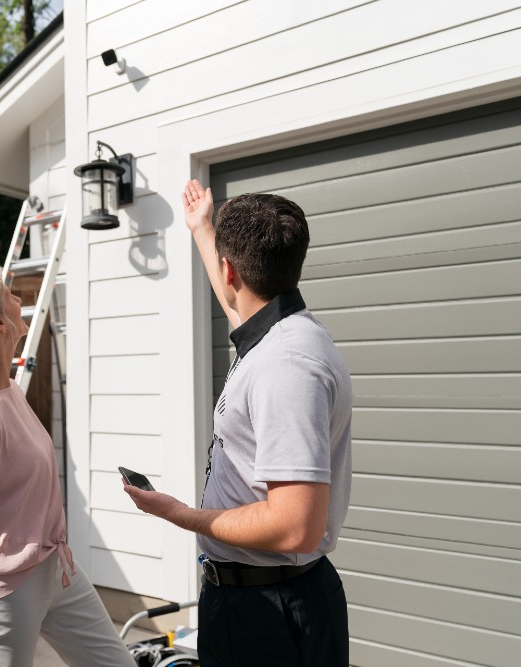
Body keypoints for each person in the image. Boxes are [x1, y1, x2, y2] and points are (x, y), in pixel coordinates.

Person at [124, 180, 353, 666]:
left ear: (232, 270)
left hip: (270, 614)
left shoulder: (286, 364)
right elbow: (236, 302)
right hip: (256, 601)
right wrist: (201, 229)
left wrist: (178, 514)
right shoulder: (278, 330)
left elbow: (296, 527)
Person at [0, 263, 136, 667]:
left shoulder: (7, 391)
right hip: (6, 592)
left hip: (55, 569)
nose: (19, 299)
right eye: (9, 295)